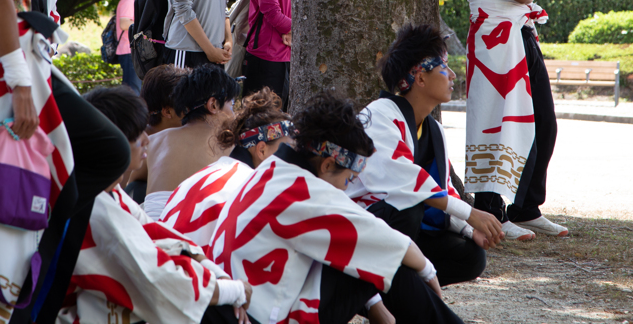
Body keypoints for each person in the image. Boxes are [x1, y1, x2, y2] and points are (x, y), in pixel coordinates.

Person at [0, 0, 131, 324]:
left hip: (6, 59)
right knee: (93, 161)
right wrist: (18, 76)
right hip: (0, 66)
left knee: (66, 185)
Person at [209, 93, 467, 324]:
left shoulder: (270, 169)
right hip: (264, 314)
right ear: (328, 165)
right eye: (348, 179)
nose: (346, 189)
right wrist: (429, 272)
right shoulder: (306, 193)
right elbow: (397, 246)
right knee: (382, 256)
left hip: (245, 304)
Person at [60, 85, 254, 324]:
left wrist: (214, 273)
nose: (146, 140)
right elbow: (159, 281)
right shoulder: (94, 209)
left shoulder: (108, 191)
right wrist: (233, 290)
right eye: (135, 134)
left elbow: (156, 231)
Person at [458, 0, 566, 240]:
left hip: (520, 34)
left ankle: (526, 207)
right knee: (497, 121)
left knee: (542, 123)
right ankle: (492, 210)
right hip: (494, 41)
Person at [350, 24, 504, 288]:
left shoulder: (435, 131)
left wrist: (469, 228)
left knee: (471, 256)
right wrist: (470, 214)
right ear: (419, 77)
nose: (453, 75)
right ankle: (380, 292)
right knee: (407, 208)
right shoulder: (379, 116)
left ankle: (403, 290)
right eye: (444, 66)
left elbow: (443, 189)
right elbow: (402, 181)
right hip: (359, 230)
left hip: (401, 231)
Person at [160, 88, 292, 248]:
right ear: (262, 150)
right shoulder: (250, 189)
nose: (291, 161)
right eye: (287, 150)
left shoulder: (205, 173)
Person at [142, 64, 239, 220]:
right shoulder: (229, 144)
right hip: (193, 235)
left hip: (150, 231)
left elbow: (130, 187)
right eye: (231, 105)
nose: (233, 114)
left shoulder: (153, 141)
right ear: (213, 105)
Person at [124, 63, 190, 203]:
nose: (196, 111)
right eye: (189, 105)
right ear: (167, 112)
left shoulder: (172, 135)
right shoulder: (136, 141)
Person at [241, 0, 292, 109]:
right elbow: (272, 13)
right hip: (266, 57)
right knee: (261, 119)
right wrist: (294, 31)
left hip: (286, 54)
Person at [115, 0, 154, 90]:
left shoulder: (136, 0)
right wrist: (144, 24)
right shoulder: (129, 1)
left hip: (131, 49)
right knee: (133, 89)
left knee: (134, 88)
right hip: (128, 50)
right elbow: (124, 24)